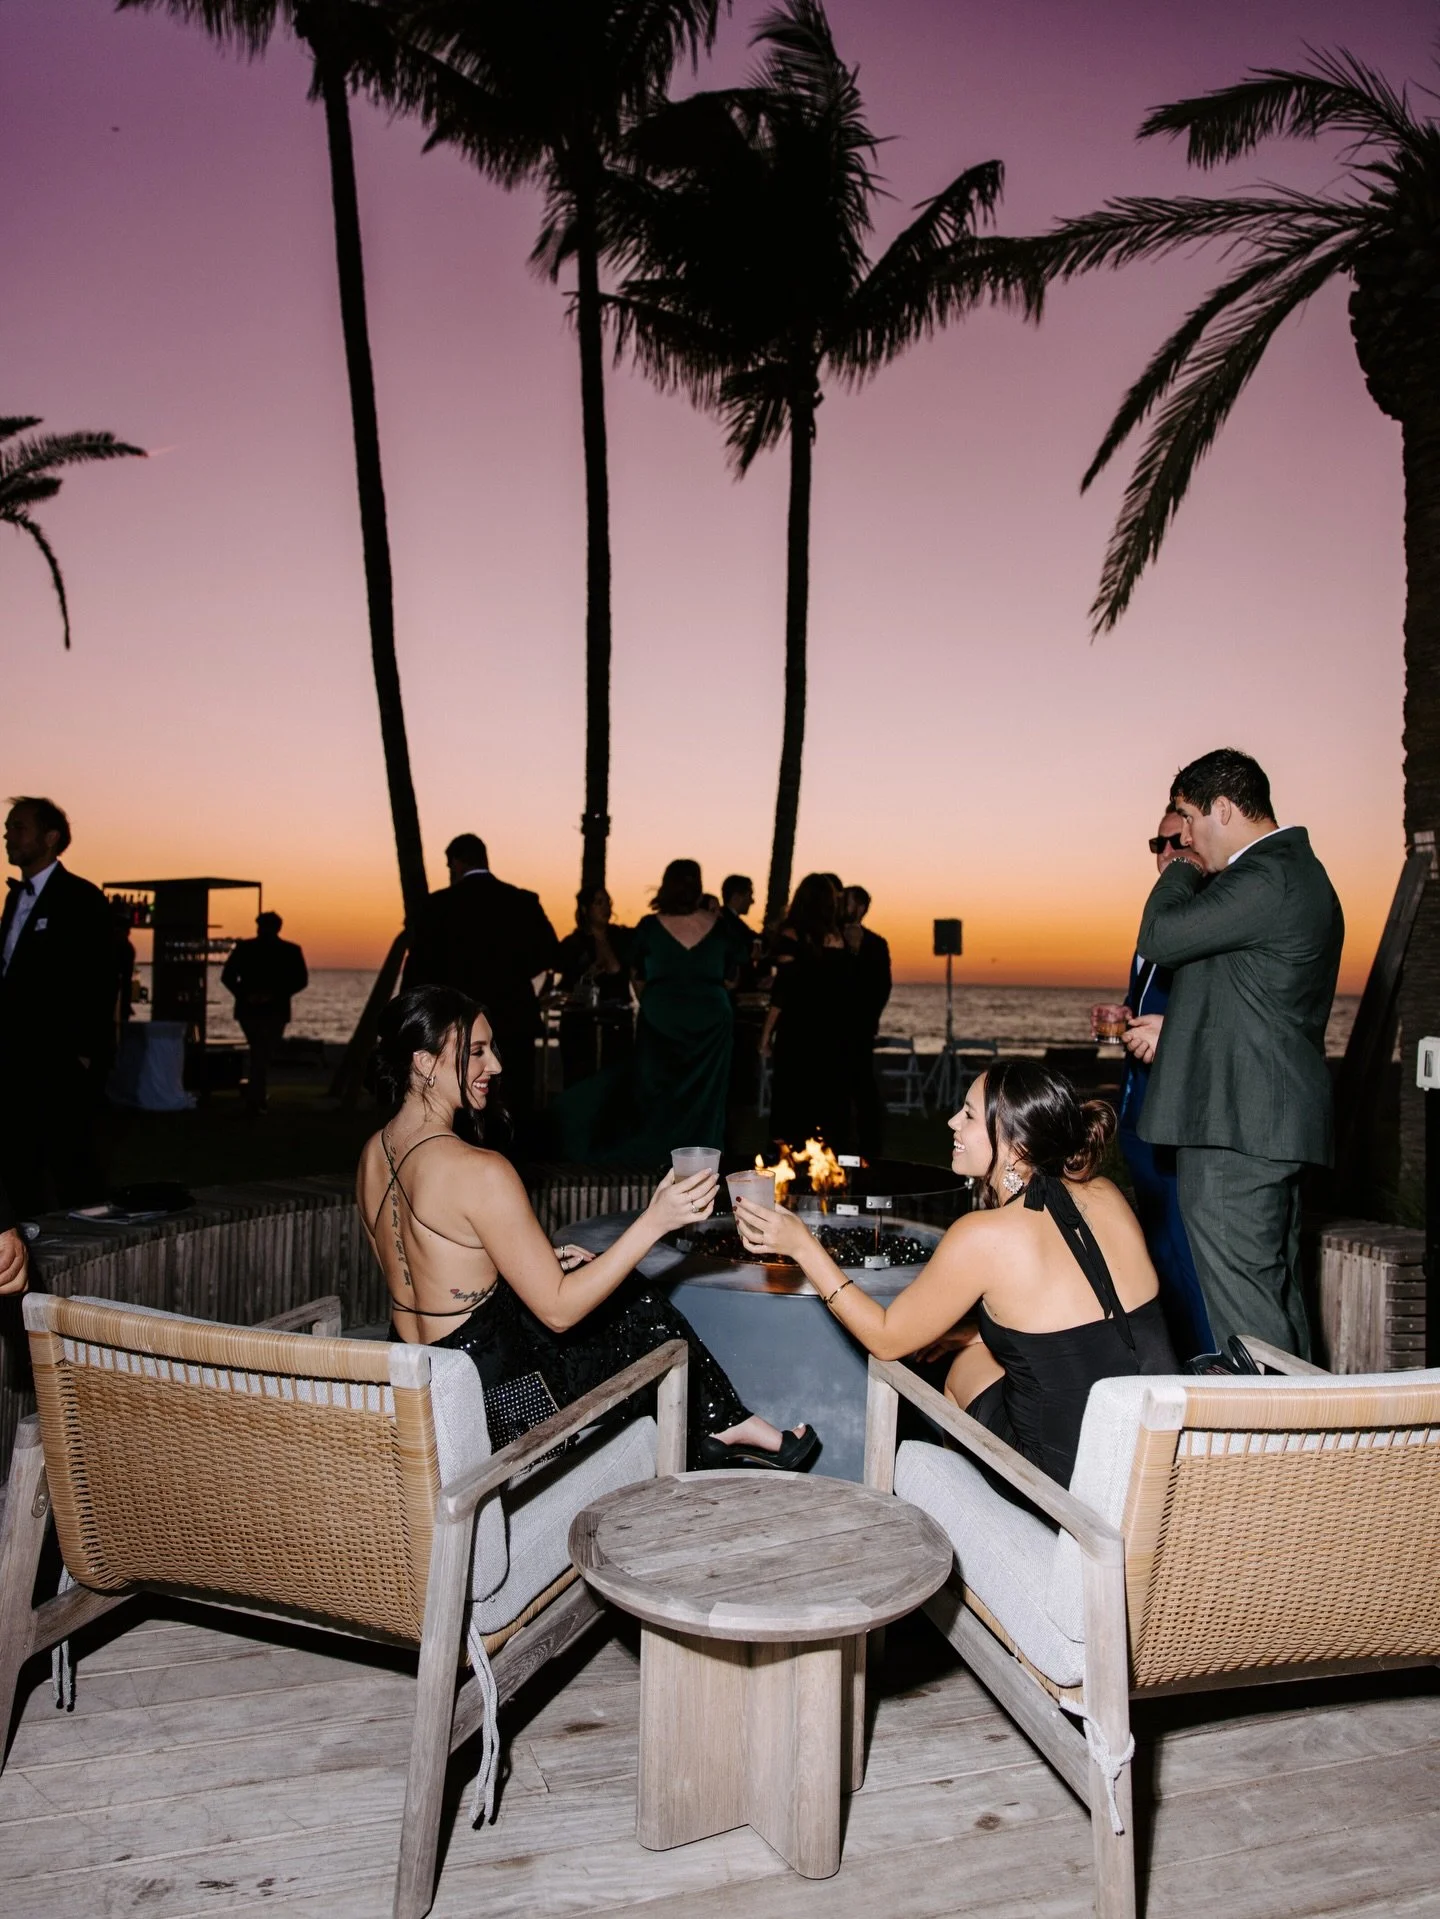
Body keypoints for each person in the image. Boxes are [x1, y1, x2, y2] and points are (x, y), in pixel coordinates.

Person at [356, 985, 817, 1472]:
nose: (495, 1066)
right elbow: (559, 1313)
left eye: (492, 1049)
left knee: (609, 1287)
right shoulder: (478, 1170)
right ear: (425, 1063)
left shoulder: (372, 1155)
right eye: (475, 1052)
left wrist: (529, 1261)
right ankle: (719, 1426)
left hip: (415, 1381)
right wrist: (653, 1221)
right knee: (635, 1306)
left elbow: (428, 1269)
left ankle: (721, 1426)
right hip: (493, 1403)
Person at [737, 1060, 1177, 1489]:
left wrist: (802, 1247)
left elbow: (886, 1338)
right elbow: (1092, 1320)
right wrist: (980, 1331)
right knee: (973, 1350)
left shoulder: (984, 1235)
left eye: (968, 1114)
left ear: (1017, 1145)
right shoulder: (1105, 1193)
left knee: (958, 1370)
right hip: (1155, 1450)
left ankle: (971, 1510)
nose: (951, 1122)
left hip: (1074, 1483)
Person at [1137, 749, 1343, 1359]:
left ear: (1222, 808)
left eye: (1189, 821)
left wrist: (1178, 865)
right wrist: (1175, 1028)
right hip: (1261, 1123)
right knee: (1274, 1304)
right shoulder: (1285, 874)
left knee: (1248, 1319)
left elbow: (1161, 938)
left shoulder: (1267, 875)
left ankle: (1275, 1451)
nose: (1186, 838)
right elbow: (1252, 998)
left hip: (1239, 1131)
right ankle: (1309, 1446)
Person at [1113, 814, 1214, 1360]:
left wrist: (1170, 1034)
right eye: (1160, 842)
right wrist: (1127, 1016)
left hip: (1178, 1123)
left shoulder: (1210, 923)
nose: (1169, 851)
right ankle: (1173, 1367)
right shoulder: (1158, 924)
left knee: (1188, 1258)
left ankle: (1208, 1373)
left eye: (1181, 840)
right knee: (1156, 1259)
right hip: (1138, 1116)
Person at [403, 834, 560, 1148]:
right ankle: (514, 1167)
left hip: (458, 1023)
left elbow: (419, 969)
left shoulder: (438, 906)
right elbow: (550, 953)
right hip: (513, 1018)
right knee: (515, 1103)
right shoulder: (523, 901)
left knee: (462, 1103)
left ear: (457, 862)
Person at [0, 797, 116, 1215]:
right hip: (14, 1054)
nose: (8, 836)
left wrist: (85, 1052)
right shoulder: (14, 900)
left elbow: (101, 978)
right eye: (8, 827)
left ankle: (93, 1253)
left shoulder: (81, 898)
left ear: (50, 839)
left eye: (18, 827)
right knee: (17, 1159)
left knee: (72, 1161)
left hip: (60, 1056)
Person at [621, 860, 748, 1157]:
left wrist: (655, 1002)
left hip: (660, 1018)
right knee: (708, 1096)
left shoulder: (649, 926)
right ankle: (704, 1160)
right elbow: (733, 977)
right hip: (711, 1020)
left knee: (656, 1092)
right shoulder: (720, 926)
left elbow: (636, 974)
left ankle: (654, 1158)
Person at [763, 873, 859, 1151]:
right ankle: (829, 1166)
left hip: (798, 1033)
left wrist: (766, 1035)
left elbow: (783, 992)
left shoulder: (791, 937)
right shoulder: (840, 940)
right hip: (833, 1034)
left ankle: (789, 1164)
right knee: (829, 1104)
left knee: (792, 1103)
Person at [220, 911, 309, 1113]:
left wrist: (245, 995)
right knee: (261, 1051)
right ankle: (256, 1097)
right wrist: (270, 995)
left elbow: (227, 977)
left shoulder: (247, 948)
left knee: (260, 1051)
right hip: (268, 1008)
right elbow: (301, 980)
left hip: (258, 1008)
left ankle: (256, 1095)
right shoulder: (289, 950)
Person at [555, 886, 634, 1087]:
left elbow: (620, 970)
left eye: (608, 902)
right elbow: (564, 984)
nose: (605, 907)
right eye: (599, 902)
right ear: (585, 909)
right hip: (581, 1026)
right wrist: (585, 975)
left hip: (615, 1022)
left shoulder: (621, 938)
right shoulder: (573, 943)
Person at [840, 885, 891, 1161]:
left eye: (845, 902)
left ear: (859, 908)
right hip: (831, 1033)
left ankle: (869, 1153)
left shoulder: (875, 944)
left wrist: (867, 1019)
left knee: (863, 1094)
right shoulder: (830, 938)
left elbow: (882, 987)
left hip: (859, 1032)